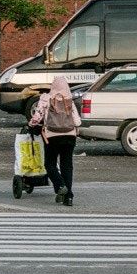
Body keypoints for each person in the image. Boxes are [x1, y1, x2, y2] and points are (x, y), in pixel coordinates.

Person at [29, 76, 81, 205]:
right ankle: (69, 197)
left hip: (52, 136)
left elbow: (37, 116)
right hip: (70, 137)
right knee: (67, 166)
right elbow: (77, 121)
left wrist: (31, 124)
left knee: (50, 164)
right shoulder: (70, 100)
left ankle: (60, 185)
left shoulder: (46, 98)